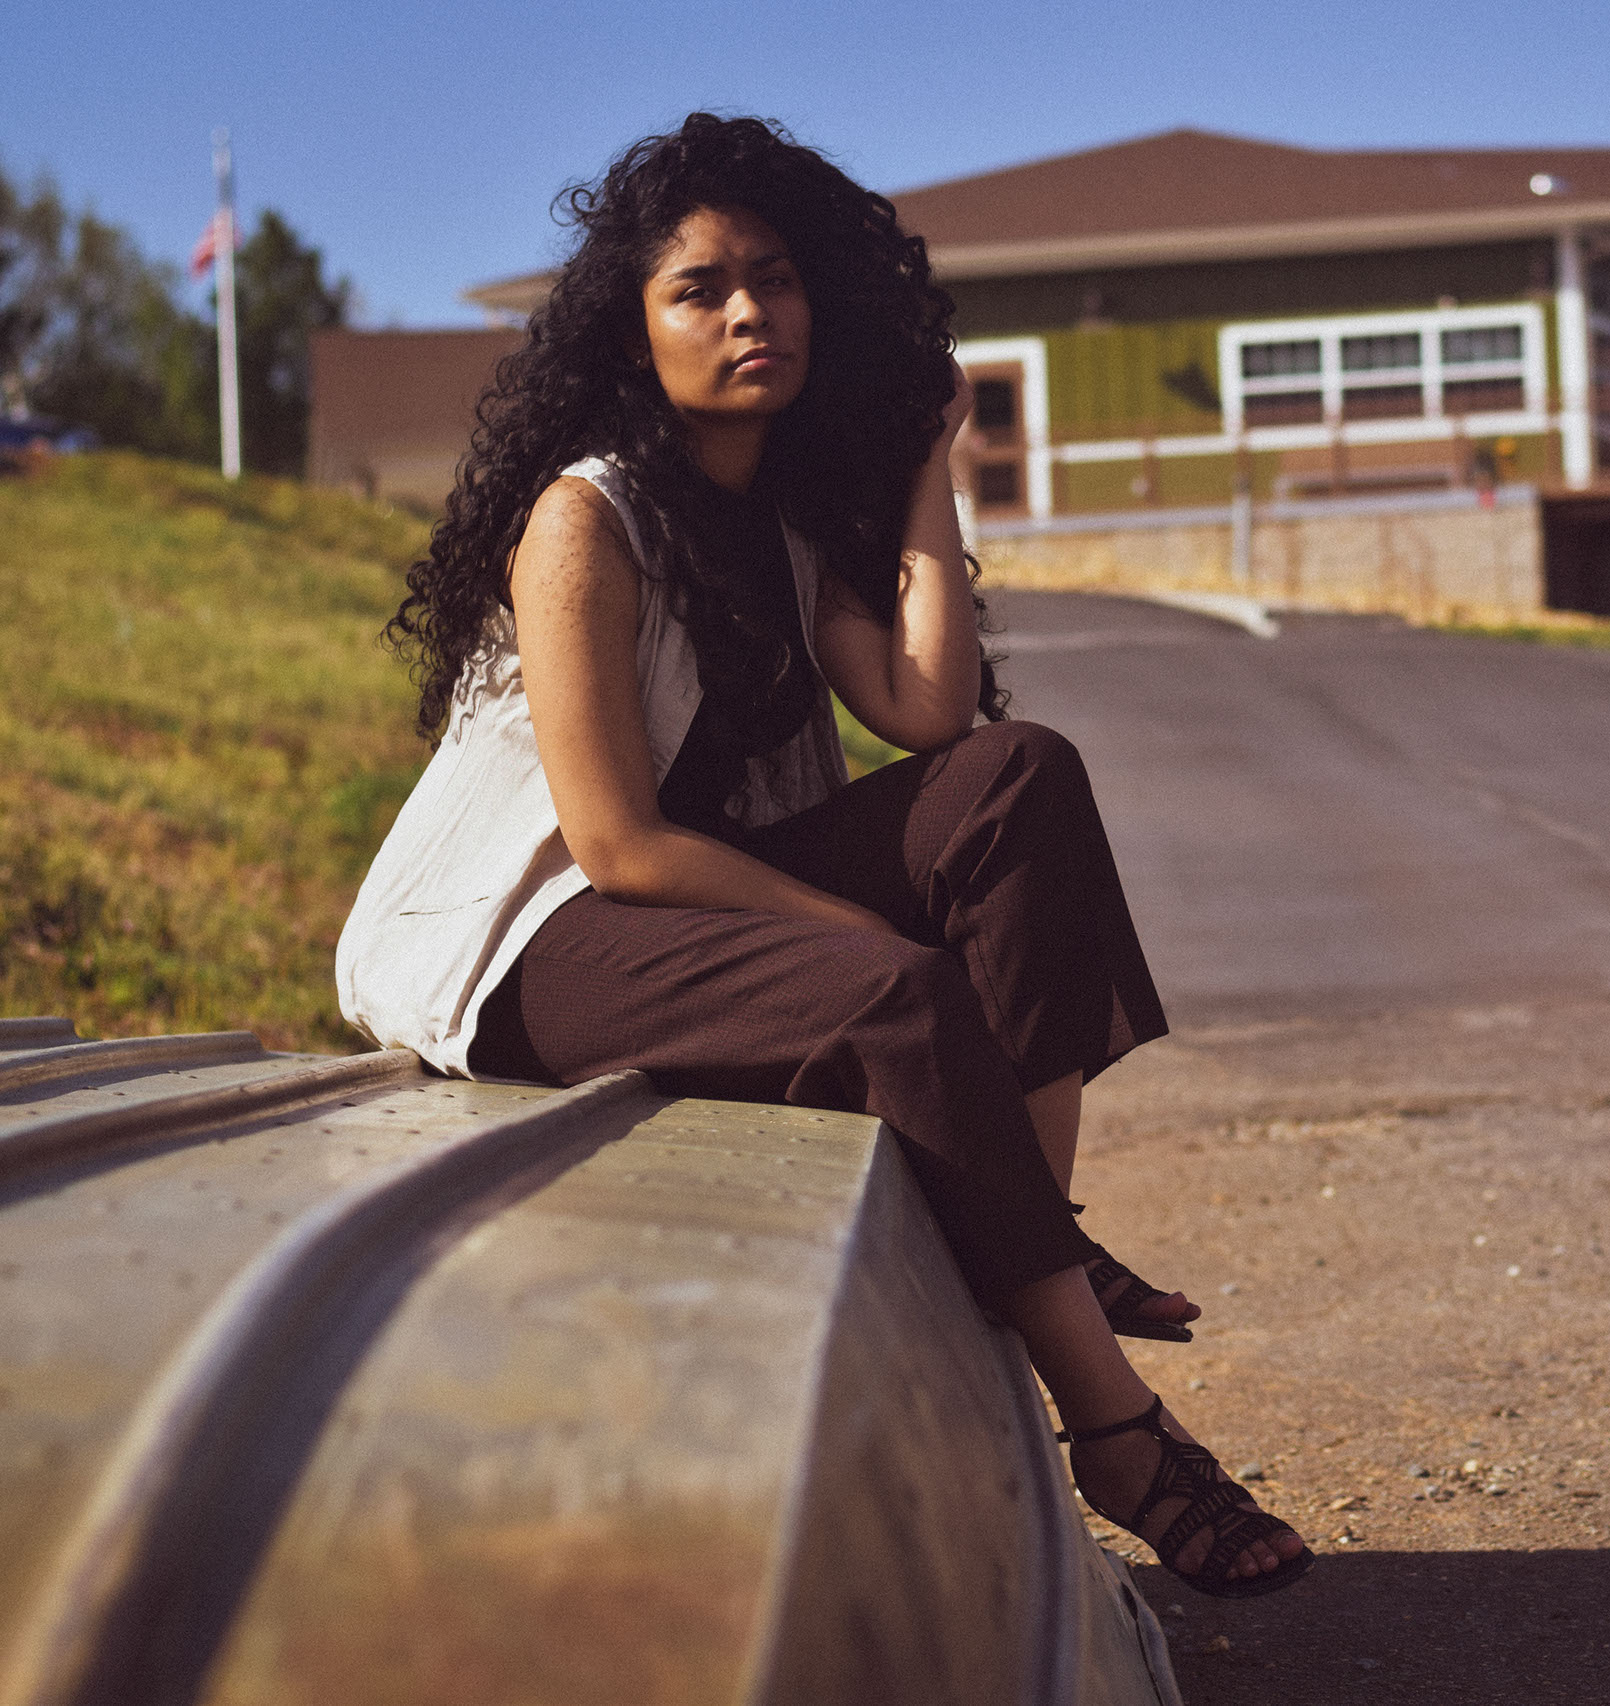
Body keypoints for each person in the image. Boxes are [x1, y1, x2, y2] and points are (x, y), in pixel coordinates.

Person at [337, 113, 1308, 1598]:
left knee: (1020, 778)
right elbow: (615, 839)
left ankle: (1029, 1229)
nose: (746, 313)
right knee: (895, 993)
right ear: (633, 325)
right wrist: (855, 937)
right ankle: (1115, 1427)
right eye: (699, 289)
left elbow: (927, 709)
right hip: (542, 937)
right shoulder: (582, 519)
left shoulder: (779, 526)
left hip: (705, 908)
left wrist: (929, 455)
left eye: (774, 280)